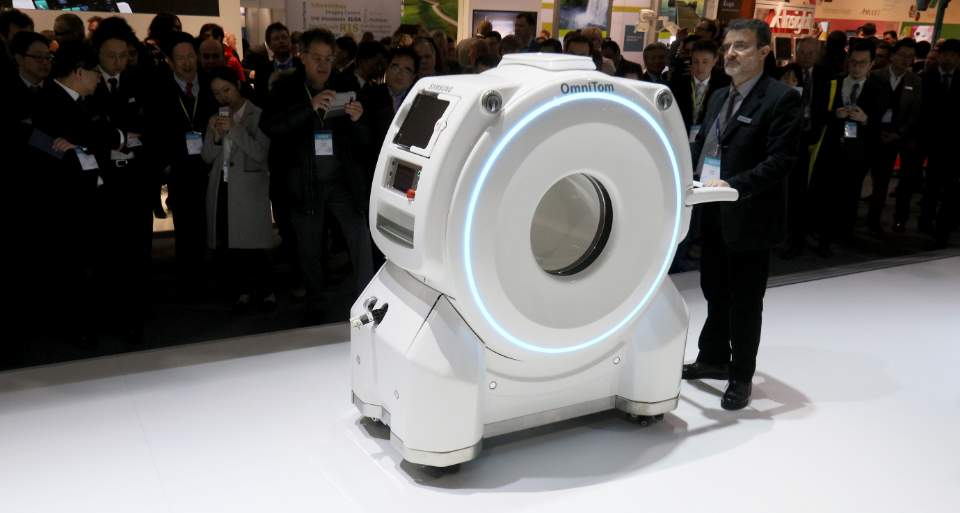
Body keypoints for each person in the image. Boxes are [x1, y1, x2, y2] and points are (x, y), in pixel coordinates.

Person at [683, 18, 802, 411]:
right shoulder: (720, 95)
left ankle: (741, 375)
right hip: (713, 211)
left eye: (741, 46)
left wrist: (733, 186)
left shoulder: (781, 98)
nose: (730, 54)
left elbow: (781, 160)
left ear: (764, 51)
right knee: (714, 290)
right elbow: (708, 146)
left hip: (750, 216)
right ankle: (713, 357)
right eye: (727, 46)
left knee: (746, 301)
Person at [259, 28, 374, 322]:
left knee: (359, 236)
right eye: (317, 58)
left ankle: (369, 301)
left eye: (329, 58)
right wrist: (308, 108)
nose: (323, 64)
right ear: (303, 56)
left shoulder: (345, 83)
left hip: (341, 180)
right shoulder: (286, 87)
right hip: (303, 181)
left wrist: (359, 119)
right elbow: (270, 126)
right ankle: (316, 304)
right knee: (308, 247)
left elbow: (365, 138)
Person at [31, 40, 128, 347]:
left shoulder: (84, 101)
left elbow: (93, 136)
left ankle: (97, 319)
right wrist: (87, 142)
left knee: (97, 261)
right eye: (95, 72)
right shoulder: (47, 101)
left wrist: (84, 143)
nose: (100, 78)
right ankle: (77, 326)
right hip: (66, 200)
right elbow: (48, 146)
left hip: (93, 192)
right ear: (79, 72)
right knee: (72, 265)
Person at [89, 17, 155, 342]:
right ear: (98, 54)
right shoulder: (88, 85)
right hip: (101, 183)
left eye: (123, 55)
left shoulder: (139, 81)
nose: (118, 62)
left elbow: (152, 127)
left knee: (137, 249)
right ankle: (108, 311)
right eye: (111, 56)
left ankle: (135, 314)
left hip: (136, 181)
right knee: (106, 250)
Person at [147, 31, 219, 295]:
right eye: (181, 58)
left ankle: (218, 275)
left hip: (210, 165)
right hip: (179, 169)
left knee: (213, 222)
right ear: (170, 61)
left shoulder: (211, 85)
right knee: (187, 227)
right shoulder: (159, 89)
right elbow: (153, 131)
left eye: (191, 56)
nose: (188, 63)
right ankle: (190, 281)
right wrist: (166, 166)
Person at [202, 67, 275, 311]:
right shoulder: (215, 117)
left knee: (253, 243)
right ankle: (243, 291)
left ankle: (266, 290)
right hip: (221, 184)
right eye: (216, 93)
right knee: (229, 241)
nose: (223, 97)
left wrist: (234, 128)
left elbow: (260, 153)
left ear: (238, 86)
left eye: (227, 90)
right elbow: (206, 156)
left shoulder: (258, 114)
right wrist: (215, 136)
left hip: (249, 186)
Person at [809, 40, 884, 255]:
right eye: (853, 62)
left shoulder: (877, 88)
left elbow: (883, 122)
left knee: (850, 194)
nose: (856, 67)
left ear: (871, 64)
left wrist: (865, 119)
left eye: (862, 63)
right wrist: (835, 114)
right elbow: (817, 112)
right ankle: (824, 236)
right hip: (831, 147)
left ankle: (844, 232)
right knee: (826, 193)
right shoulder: (833, 83)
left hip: (858, 151)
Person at [782, 37, 831, 259]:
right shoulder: (786, 73)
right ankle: (793, 239)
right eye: (802, 52)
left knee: (815, 192)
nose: (806, 57)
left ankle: (813, 234)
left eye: (811, 53)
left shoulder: (827, 76)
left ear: (818, 54)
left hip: (818, 139)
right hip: (793, 141)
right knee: (794, 193)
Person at [869, 38, 922, 235]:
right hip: (871, 135)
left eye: (910, 57)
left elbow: (915, 113)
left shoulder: (915, 82)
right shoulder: (875, 75)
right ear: (892, 56)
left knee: (882, 183)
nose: (905, 60)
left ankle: (874, 221)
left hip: (895, 137)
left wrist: (898, 133)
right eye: (902, 55)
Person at [917, 39, 960, 248]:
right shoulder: (926, 77)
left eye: (953, 55)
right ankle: (925, 221)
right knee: (930, 185)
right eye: (945, 54)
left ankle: (943, 229)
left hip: (953, 144)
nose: (948, 58)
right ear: (939, 55)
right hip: (927, 139)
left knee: (951, 187)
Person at [670, 38, 730, 137]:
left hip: (709, 137)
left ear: (715, 61)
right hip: (681, 135)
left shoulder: (723, 86)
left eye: (705, 62)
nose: (700, 67)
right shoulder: (678, 84)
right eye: (695, 62)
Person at [254, 23, 302, 108]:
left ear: (290, 41)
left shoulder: (303, 65)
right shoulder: (262, 70)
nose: (281, 41)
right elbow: (259, 100)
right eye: (276, 39)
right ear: (269, 45)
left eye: (284, 37)